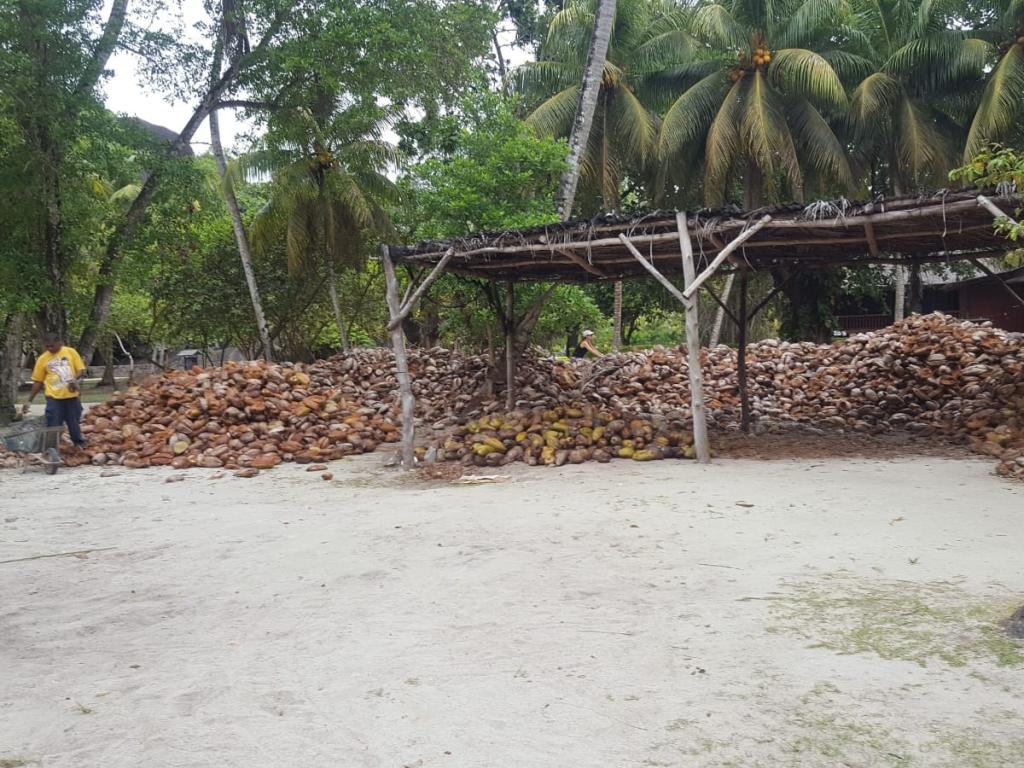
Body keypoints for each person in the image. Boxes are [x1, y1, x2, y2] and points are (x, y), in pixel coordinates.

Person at [23, 333, 88, 448]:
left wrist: (74, 379)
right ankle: (51, 449)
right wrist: (29, 401)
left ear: (60, 343)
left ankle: (79, 443)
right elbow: (38, 381)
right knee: (54, 424)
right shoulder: (42, 359)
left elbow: (80, 370)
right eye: (47, 346)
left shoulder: (70, 352)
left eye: (52, 346)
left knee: (74, 422)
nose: (49, 348)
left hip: (71, 396)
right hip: (54, 398)